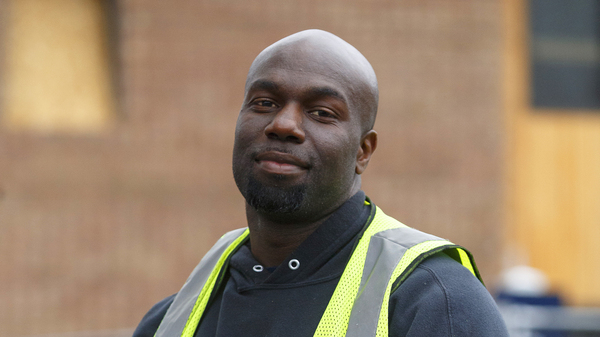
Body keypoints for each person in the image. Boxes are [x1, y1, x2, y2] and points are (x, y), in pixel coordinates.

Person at [133, 29, 508, 337]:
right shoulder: (169, 320)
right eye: (264, 102)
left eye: (321, 113)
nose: (283, 124)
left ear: (363, 151)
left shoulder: (434, 303)